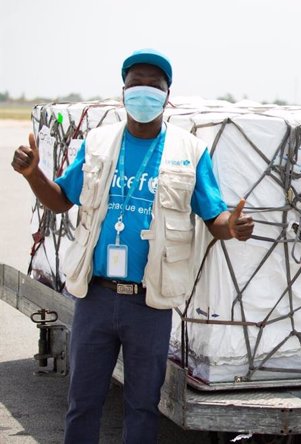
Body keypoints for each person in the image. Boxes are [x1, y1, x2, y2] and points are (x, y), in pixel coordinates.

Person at [11, 48, 254, 443]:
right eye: (135, 84)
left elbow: (215, 218)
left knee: (143, 406)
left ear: (167, 94)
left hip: (149, 304)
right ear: (122, 92)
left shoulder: (190, 152)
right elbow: (60, 199)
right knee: (83, 401)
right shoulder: (98, 143)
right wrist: (32, 173)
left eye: (153, 86)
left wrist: (234, 227)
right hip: (95, 297)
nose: (144, 92)